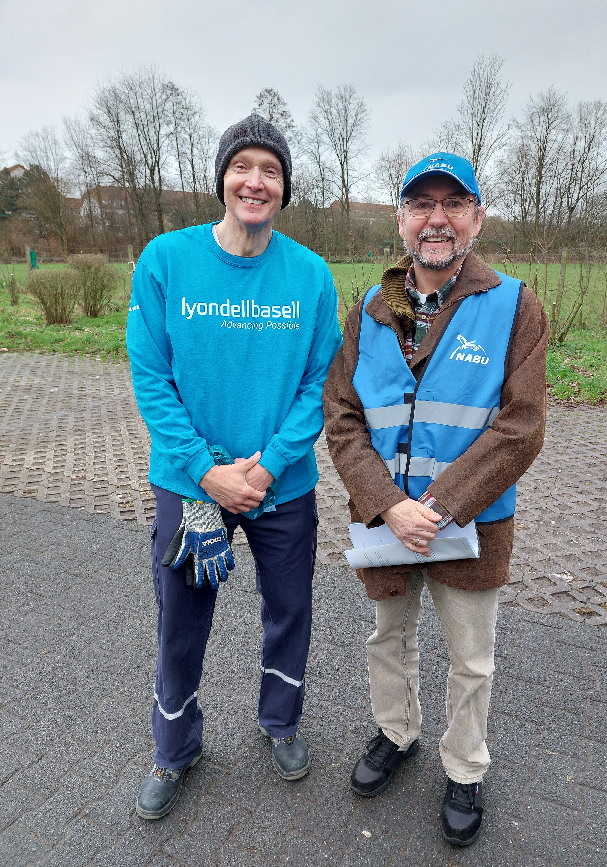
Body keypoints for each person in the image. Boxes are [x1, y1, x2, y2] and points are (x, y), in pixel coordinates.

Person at [323, 152, 548, 846]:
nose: (438, 218)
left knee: (471, 655)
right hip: (384, 521)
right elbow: (342, 413)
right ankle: (398, 732)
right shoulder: (369, 306)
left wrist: (441, 505)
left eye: (455, 203)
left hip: (471, 526)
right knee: (388, 637)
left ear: (477, 217)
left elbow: (522, 425)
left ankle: (465, 765)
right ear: (401, 221)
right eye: (422, 204)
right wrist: (389, 504)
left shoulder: (514, 304)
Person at [127, 114, 342, 820]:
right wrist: (206, 472)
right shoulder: (165, 260)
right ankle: (175, 746)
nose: (256, 180)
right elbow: (152, 377)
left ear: (284, 189)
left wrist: (271, 465)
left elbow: (322, 383)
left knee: (289, 610)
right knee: (181, 622)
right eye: (243, 165)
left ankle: (280, 721)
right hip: (192, 488)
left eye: (271, 170)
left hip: (282, 488)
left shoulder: (311, 275)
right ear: (222, 178)